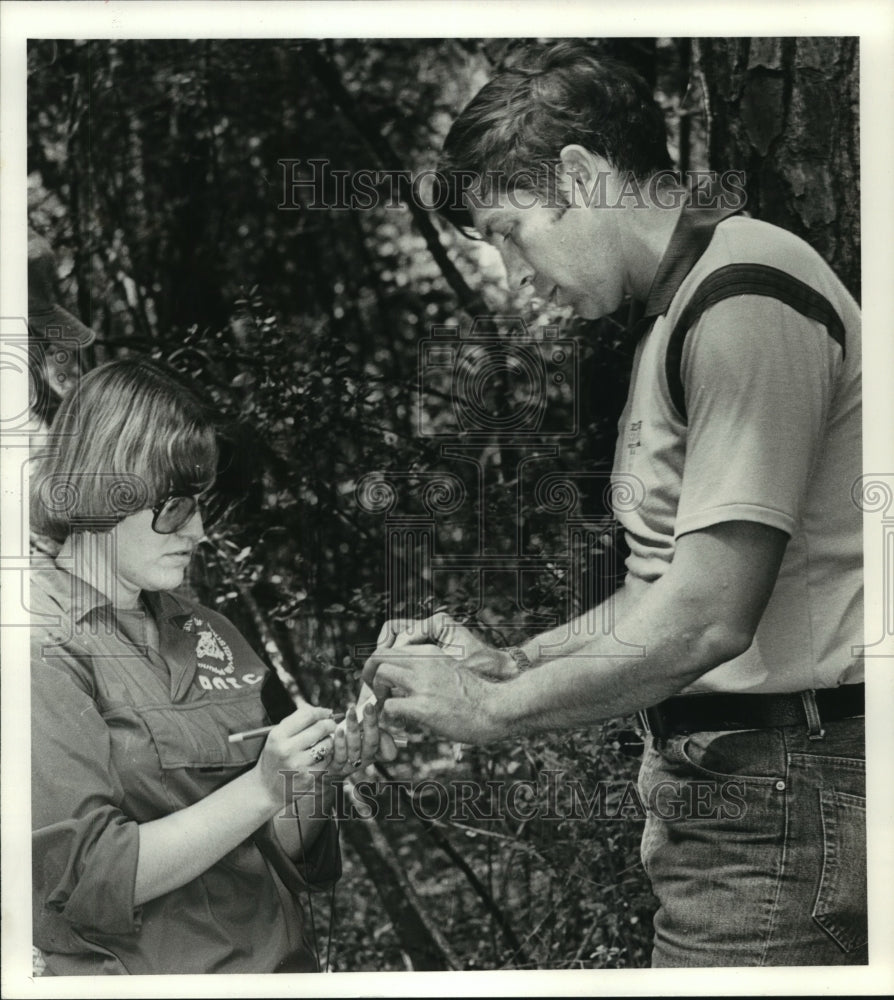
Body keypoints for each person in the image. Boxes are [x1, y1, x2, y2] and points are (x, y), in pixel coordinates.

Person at [363, 41, 865, 967]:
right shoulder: (681, 313)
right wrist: (512, 662)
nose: (514, 273)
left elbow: (708, 618)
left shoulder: (746, 300)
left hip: (786, 798)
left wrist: (492, 711)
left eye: (510, 229)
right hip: (748, 793)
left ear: (583, 176)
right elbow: (664, 589)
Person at [30, 358, 386, 975]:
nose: (198, 531)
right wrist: (261, 786)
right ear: (104, 488)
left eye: (199, 506)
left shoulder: (210, 631)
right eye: (175, 507)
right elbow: (80, 879)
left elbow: (268, 846)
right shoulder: (38, 645)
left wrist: (315, 774)